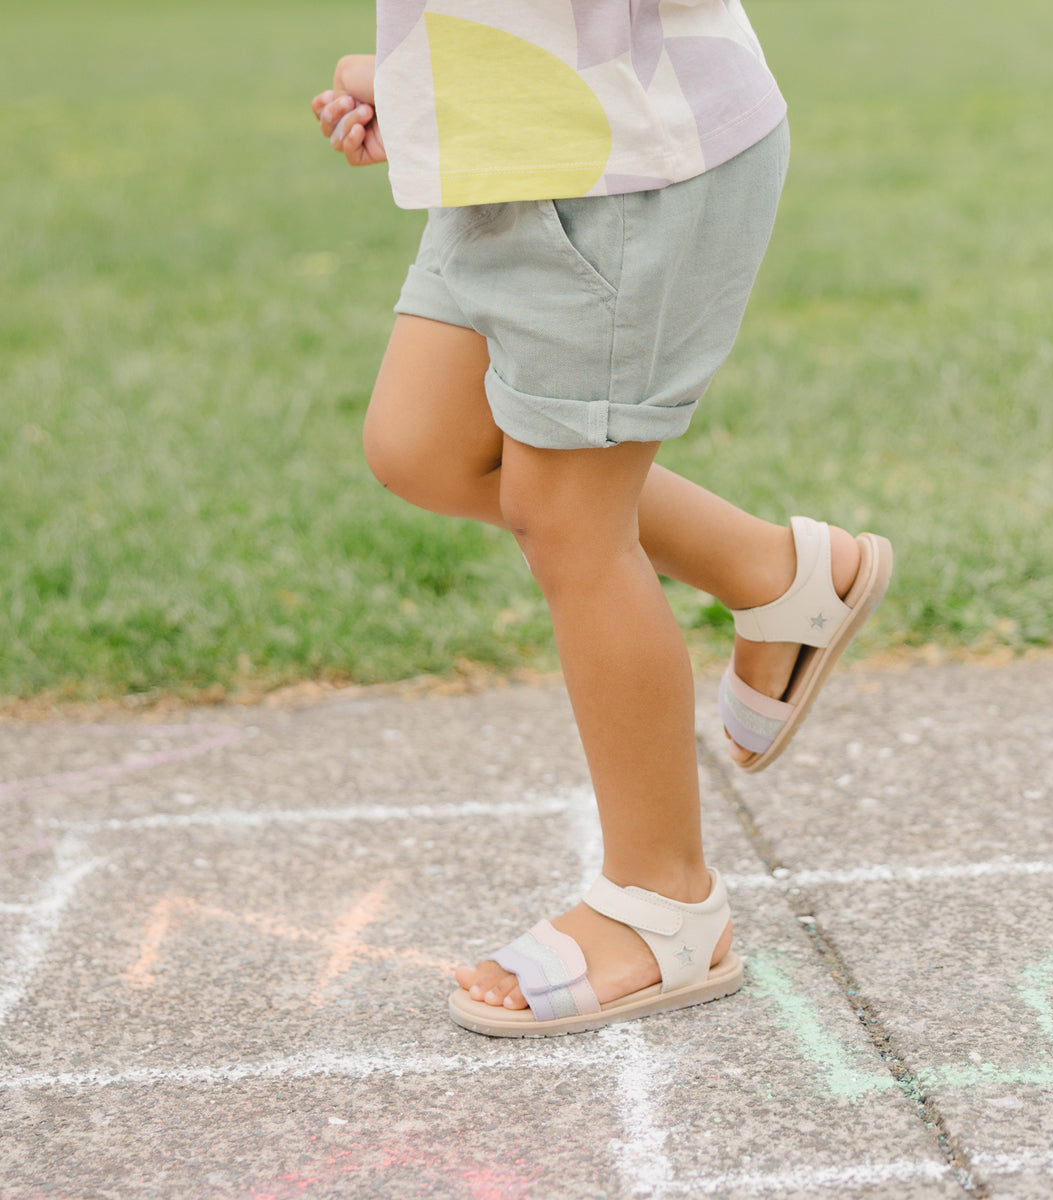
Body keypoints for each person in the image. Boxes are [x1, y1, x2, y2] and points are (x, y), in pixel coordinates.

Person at [311, 4, 891, 1037]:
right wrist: (423, 94)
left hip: (627, 168)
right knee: (424, 446)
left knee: (568, 521)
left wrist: (415, 86)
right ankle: (779, 575)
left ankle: (665, 902)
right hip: (512, 161)